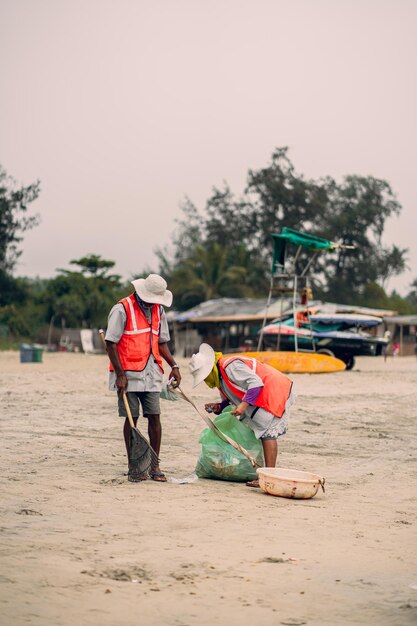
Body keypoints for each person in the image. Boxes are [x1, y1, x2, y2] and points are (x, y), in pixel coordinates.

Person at [104, 274, 181, 483]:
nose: (154, 303)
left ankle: (154, 465)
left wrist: (174, 365)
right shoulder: (122, 308)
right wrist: (120, 374)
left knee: (154, 416)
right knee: (132, 419)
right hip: (127, 374)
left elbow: (162, 342)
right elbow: (110, 343)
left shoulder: (159, 310)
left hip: (152, 372)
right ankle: (135, 466)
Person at [188, 343, 295, 487]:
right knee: (261, 430)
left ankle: (269, 476)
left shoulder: (230, 366)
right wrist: (219, 407)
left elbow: (256, 383)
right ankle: (263, 472)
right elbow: (231, 398)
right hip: (263, 394)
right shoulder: (220, 377)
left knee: (268, 433)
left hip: (274, 389)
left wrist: (244, 405)